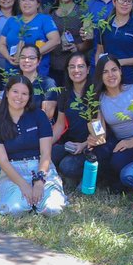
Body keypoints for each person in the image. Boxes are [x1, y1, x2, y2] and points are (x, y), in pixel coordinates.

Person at [0, 75, 66, 216]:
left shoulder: (39, 116)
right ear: (7, 93)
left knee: (52, 210)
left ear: (29, 96)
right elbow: (3, 162)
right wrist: (23, 185)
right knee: (17, 209)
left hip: (40, 167)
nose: (19, 97)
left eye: (24, 93)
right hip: (13, 170)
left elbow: (46, 154)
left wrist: (39, 180)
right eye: (15, 92)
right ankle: (23, 200)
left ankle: (45, 198)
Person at [89, 53, 133, 191]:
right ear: (100, 75)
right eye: (105, 72)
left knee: (118, 162)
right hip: (120, 142)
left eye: (114, 70)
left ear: (120, 71)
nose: (111, 75)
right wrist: (94, 138)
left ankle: (126, 179)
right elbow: (100, 132)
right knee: (99, 152)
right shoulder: (99, 98)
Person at [51, 53, 94, 185]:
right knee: (47, 155)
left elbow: (100, 133)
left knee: (67, 166)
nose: (76, 70)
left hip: (91, 145)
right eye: (72, 67)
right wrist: (44, 145)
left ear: (88, 69)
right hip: (70, 144)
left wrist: (83, 145)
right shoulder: (64, 93)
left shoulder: (95, 93)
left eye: (80, 66)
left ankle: (82, 174)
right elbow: (59, 125)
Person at [0, 0, 61, 77]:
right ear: (19, 2)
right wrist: (8, 57)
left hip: (37, 72)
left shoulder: (45, 19)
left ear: (38, 4)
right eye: (23, 0)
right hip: (12, 71)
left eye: (31, 0)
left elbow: (55, 40)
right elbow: (1, 43)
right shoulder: (12, 20)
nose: (27, 3)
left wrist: (33, 55)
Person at [48, 0, 92, 87]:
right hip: (54, 68)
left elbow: (89, 42)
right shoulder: (49, 15)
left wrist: (77, 47)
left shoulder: (83, 12)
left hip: (76, 69)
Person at [15, 44, 59, 121]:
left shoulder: (48, 83)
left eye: (31, 58)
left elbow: (47, 116)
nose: (26, 60)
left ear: (39, 61)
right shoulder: (13, 82)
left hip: (39, 129)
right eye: (23, 57)